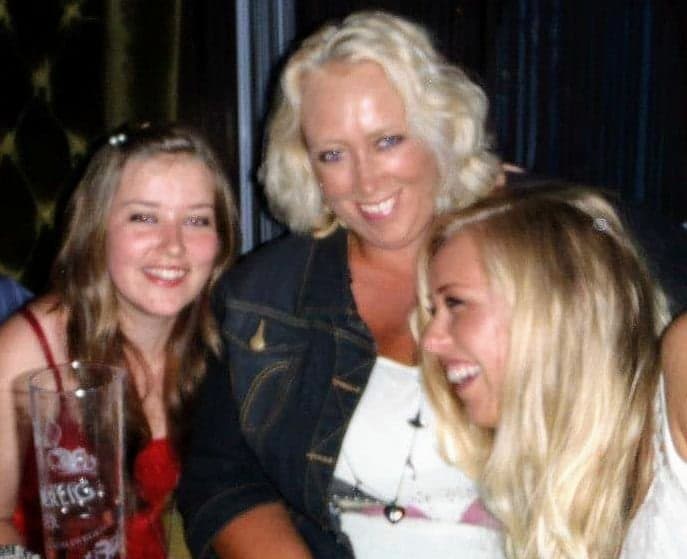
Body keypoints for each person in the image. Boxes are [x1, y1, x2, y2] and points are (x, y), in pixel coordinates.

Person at [178, 10, 503, 559]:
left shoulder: (530, 260)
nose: (366, 181)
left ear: (442, 130)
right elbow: (222, 482)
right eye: (333, 154)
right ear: (305, 164)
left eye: (388, 140)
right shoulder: (263, 296)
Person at [0, 123, 237, 558]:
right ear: (97, 228)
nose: (173, 246)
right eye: (144, 217)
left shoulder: (220, 342)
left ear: (220, 240)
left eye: (196, 220)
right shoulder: (27, 350)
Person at [419, 184, 687, 558]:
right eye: (434, 311)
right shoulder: (558, 489)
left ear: (551, 303)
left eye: (456, 303)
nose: (430, 341)